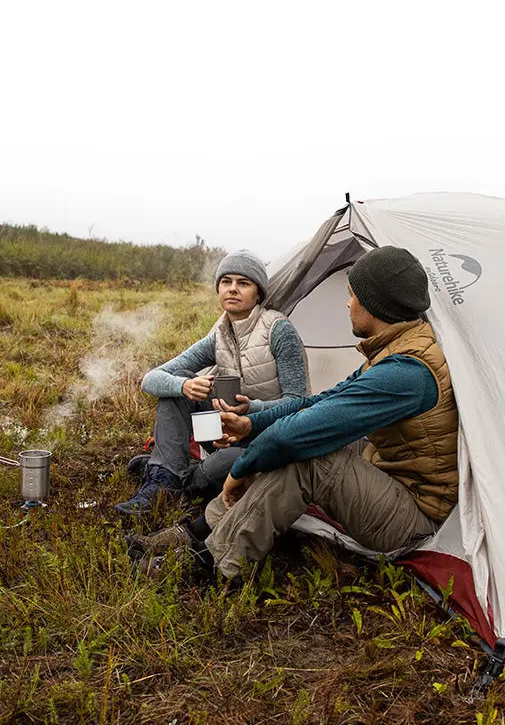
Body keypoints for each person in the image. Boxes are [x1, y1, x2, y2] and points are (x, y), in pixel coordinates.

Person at [132, 246, 458, 580]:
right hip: (388, 472)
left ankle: (212, 565)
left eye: (352, 295)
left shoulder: (405, 372)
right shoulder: (395, 352)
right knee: (299, 443)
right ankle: (196, 532)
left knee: (307, 457)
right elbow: (319, 402)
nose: (348, 304)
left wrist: (243, 466)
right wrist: (249, 424)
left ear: (375, 304)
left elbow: (300, 432)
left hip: (413, 514)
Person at [115, 249, 308, 515]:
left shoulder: (279, 331)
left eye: (243, 283)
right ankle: (165, 480)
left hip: (266, 438)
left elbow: (299, 403)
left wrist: (251, 410)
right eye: (226, 282)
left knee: (229, 465)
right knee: (179, 382)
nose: (232, 289)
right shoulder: (218, 336)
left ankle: (171, 477)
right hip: (225, 435)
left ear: (258, 293)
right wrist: (184, 387)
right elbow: (151, 379)